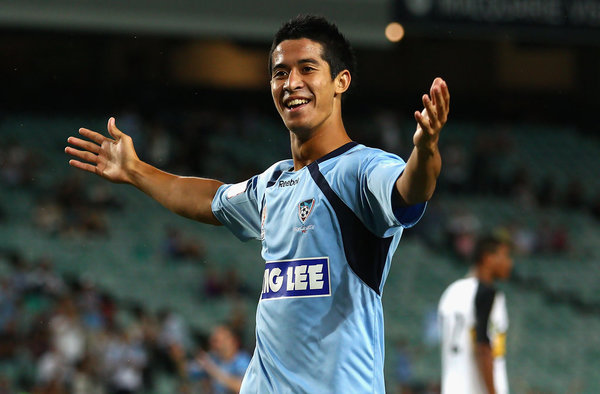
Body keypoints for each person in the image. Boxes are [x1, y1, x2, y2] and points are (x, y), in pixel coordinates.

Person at [65, 14, 450, 393]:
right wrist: (136, 170)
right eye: (280, 72)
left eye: (307, 68)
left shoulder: (362, 169)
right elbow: (209, 198)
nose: (291, 83)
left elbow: (409, 189)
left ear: (340, 81)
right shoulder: (272, 184)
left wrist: (426, 149)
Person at [438, 236, 513, 394]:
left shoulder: (451, 292)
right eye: (505, 256)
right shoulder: (487, 293)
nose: (510, 263)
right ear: (487, 258)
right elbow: (483, 347)